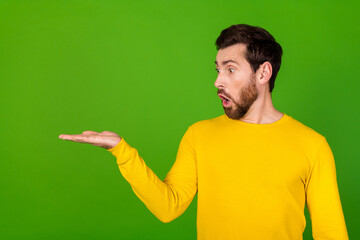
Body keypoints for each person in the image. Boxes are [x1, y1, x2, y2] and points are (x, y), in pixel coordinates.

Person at [58, 24, 349, 240]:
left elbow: (331, 233)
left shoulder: (312, 145)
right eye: (217, 70)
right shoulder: (200, 134)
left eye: (230, 69)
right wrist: (121, 150)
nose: (218, 81)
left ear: (263, 73)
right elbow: (167, 206)